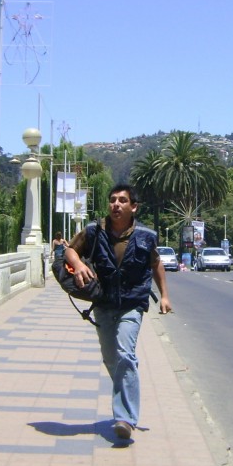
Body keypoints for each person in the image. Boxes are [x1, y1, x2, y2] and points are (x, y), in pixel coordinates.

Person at [62, 184, 173, 440]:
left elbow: (156, 264)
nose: (116, 204)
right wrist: (78, 264)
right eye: (113, 200)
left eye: (122, 200)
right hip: (103, 303)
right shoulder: (94, 231)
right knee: (112, 359)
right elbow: (69, 250)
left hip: (133, 303)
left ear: (134, 207)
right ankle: (126, 392)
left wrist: (165, 296)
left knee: (125, 353)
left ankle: (125, 418)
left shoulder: (146, 235)